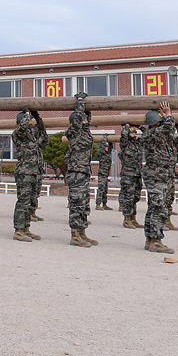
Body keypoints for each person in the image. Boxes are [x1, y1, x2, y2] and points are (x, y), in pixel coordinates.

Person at [141, 102, 178, 253]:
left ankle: (151, 239)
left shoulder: (156, 135)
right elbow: (169, 126)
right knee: (159, 208)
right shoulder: (153, 134)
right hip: (156, 175)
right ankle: (156, 241)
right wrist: (168, 113)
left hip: (159, 175)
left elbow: (170, 132)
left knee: (154, 207)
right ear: (156, 123)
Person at [64, 94, 98, 247]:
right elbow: (78, 119)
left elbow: (85, 119)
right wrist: (80, 102)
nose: (86, 121)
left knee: (84, 204)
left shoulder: (84, 132)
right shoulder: (74, 132)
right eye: (83, 118)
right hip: (76, 172)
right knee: (77, 203)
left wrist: (87, 108)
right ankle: (74, 235)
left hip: (84, 172)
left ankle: (82, 233)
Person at [12, 107, 46, 240]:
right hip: (24, 172)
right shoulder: (18, 134)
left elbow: (45, 138)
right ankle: (18, 230)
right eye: (30, 119)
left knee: (30, 201)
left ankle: (26, 228)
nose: (31, 120)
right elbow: (21, 128)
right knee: (23, 201)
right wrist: (26, 114)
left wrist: (38, 119)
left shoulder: (32, 135)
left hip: (34, 172)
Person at [119, 124, 144, 228]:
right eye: (131, 132)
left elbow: (146, 135)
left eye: (135, 132)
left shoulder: (137, 144)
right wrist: (126, 127)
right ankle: (126, 219)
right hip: (128, 174)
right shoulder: (125, 144)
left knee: (135, 197)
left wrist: (139, 126)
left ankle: (133, 219)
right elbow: (123, 136)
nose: (134, 134)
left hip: (137, 174)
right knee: (128, 197)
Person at [94, 135, 112, 210]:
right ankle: (98, 204)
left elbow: (110, 148)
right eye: (106, 147)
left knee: (105, 190)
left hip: (106, 175)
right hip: (102, 174)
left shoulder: (107, 154)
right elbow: (102, 148)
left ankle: (104, 204)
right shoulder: (102, 153)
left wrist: (109, 141)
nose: (107, 148)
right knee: (101, 189)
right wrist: (104, 139)